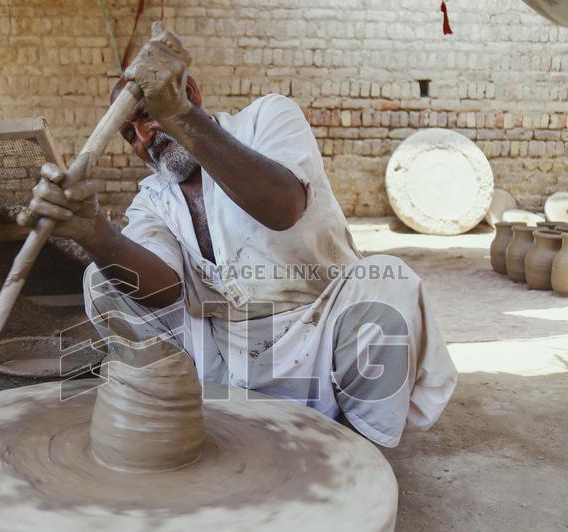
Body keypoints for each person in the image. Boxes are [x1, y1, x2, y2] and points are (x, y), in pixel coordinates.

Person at [23, 23, 457, 447]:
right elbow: (163, 289)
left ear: (188, 93)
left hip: (320, 336)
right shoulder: (153, 198)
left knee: (388, 282)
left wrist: (181, 120)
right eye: (129, 135)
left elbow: (283, 206)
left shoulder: (267, 119)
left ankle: (355, 456)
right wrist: (94, 233)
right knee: (103, 279)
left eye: (146, 116)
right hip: (223, 357)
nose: (144, 138)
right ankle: (176, 426)